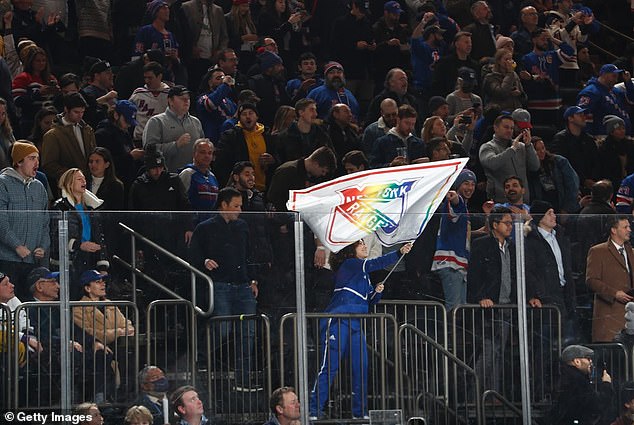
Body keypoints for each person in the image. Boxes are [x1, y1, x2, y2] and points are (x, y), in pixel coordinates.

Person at [309, 240, 413, 419]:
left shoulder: (362, 274)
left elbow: (369, 302)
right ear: (350, 250)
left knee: (361, 368)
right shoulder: (350, 265)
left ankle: (360, 413)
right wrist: (398, 253)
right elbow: (375, 263)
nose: (365, 247)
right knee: (329, 367)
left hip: (355, 324)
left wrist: (376, 293)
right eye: (360, 244)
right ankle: (313, 410)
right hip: (337, 321)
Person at [189, 187, 259, 389]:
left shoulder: (243, 227)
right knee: (222, 328)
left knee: (248, 332)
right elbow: (194, 253)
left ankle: (243, 379)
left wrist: (253, 279)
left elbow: (249, 254)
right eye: (236, 206)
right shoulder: (204, 228)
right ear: (224, 205)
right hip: (219, 285)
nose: (240, 210)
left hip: (243, 286)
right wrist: (205, 261)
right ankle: (201, 360)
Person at [467, 206, 515, 394]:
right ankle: (475, 392)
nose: (510, 226)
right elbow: (475, 275)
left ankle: (491, 393)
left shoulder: (512, 247)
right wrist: (481, 297)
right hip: (489, 307)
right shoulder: (482, 245)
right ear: (495, 225)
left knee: (497, 352)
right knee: (490, 350)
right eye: (507, 223)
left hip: (507, 305)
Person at [0, 141, 49, 299]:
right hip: (7, 259)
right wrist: (17, 246)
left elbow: (45, 222)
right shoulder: (3, 183)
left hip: (33, 261)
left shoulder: (39, 187)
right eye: (32, 158)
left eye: (38, 158)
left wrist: (43, 246)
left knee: (28, 307)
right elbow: (1, 221)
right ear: (19, 161)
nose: (37, 162)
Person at [431, 169, 478, 311]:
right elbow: (455, 210)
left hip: (459, 265)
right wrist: (455, 199)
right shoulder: (454, 202)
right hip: (450, 265)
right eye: (465, 183)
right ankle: (450, 334)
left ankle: (456, 334)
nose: (470, 188)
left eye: (472, 184)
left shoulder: (465, 207)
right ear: (457, 184)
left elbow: (458, 230)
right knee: (455, 310)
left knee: (460, 310)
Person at [53, 168, 109, 283]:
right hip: (70, 261)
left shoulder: (91, 207)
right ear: (69, 183)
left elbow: (99, 236)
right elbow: (55, 236)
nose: (84, 181)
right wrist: (79, 245)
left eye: (84, 179)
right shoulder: (61, 207)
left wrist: (102, 265)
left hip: (90, 259)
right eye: (79, 179)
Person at [587, 216, 634, 342]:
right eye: (625, 227)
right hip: (609, 317)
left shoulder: (631, 251)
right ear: (614, 230)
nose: (629, 230)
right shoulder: (598, 251)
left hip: (630, 319)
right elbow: (592, 280)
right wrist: (614, 294)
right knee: (612, 357)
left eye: (629, 227)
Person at [41, 93, 96, 192]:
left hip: (89, 183)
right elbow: (48, 164)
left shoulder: (87, 130)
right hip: (68, 187)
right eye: (76, 112)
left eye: (82, 112)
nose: (80, 115)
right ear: (66, 109)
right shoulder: (53, 135)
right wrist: (72, 175)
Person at [143, 85, 205, 173]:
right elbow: (149, 151)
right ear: (170, 100)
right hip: (167, 178)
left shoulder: (196, 122)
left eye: (188, 98)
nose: (186, 101)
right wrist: (175, 145)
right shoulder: (156, 121)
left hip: (194, 178)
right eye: (181, 98)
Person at [214, 103, 276, 190]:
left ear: (257, 116)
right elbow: (221, 163)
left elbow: (278, 158)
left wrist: (273, 160)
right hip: (241, 189)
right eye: (244, 114)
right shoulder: (231, 136)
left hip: (265, 187)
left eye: (250, 113)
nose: (247, 116)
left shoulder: (267, 135)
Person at [479, 114, 540, 203]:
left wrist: (528, 145)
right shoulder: (487, 147)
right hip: (500, 203)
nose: (509, 131)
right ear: (495, 128)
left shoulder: (522, 147)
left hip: (523, 201)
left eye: (511, 128)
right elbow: (492, 164)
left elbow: (535, 166)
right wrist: (512, 150)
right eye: (506, 127)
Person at [550, 345, 613, 424]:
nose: (591, 361)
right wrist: (606, 384)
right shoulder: (578, 381)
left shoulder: (565, 378)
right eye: (588, 358)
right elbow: (597, 405)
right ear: (577, 361)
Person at [94, 101, 143, 192]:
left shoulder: (124, 132)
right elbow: (106, 163)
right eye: (126, 121)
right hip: (112, 186)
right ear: (116, 115)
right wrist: (130, 157)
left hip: (128, 182)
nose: (128, 125)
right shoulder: (102, 135)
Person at [550, 105, 598, 194]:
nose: (584, 117)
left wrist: (592, 179)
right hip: (569, 184)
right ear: (570, 118)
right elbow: (560, 164)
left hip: (590, 183)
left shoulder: (589, 140)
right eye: (580, 115)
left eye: (584, 114)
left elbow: (595, 161)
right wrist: (582, 180)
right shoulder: (560, 139)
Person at [11, 47, 59, 136]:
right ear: (31, 62)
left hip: (50, 120)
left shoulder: (50, 78)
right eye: (38, 61)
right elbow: (17, 100)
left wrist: (57, 92)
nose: (41, 63)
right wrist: (38, 94)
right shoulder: (23, 78)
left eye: (44, 60)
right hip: (30, 121)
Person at [577, 64, 634, 136]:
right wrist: (589, 137)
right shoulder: (590, 92)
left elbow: (631, 100)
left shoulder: (615, 91)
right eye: (614, 76)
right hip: (604, 137)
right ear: (604, 75)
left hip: (623, 136)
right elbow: (584, 116)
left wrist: (628, 82)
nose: (616, 80)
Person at [529, 136, 580, 213]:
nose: (542, 151)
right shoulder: (530, 169)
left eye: (543, 148)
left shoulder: (559, 161)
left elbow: (572, 185)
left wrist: (566, 209)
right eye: (537, 150)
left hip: (563, 207)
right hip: (543, 211)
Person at [275, 98, 333, 164]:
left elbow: (331, 155)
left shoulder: (322, 133)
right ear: (301, 112)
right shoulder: (284, 137)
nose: (315, 114)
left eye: (315, 110)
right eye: (312, 110)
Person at [129, 61, 170, 144]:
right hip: (140, 140)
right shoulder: (138, 93)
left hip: (163, 140)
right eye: (145, 78)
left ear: (159, 76)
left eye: (150, 78)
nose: (147, 81)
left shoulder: (170, 94)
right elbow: (127, 113)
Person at [196, 67, 237, 142]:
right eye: (219, 78)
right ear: (210, 82)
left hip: (230, 141)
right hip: (213, 142)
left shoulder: (229, 101)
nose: (222, 81)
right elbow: (210, 104)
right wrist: (225, 85)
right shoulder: (202, 98)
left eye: (223, 78)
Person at [178, 138, 219, 213]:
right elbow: (179, 201)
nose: (206, 156)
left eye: (209, 153)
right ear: (194, 154)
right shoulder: (187, 173)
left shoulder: (213, 177)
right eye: (202, 152)